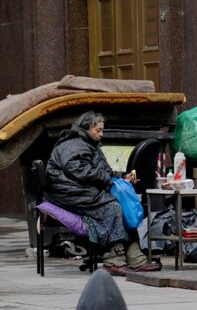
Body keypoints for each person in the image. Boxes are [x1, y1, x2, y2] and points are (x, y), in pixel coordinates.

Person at [44, 110, 161, 276]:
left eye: (102, 130)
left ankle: (135, 258)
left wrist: (120, 178)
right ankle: (114, 259)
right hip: (68, 192)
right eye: (97, 130)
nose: (101, 134)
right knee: (112, 208)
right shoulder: (73, 144)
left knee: (122, 206)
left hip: (80, 190)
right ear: (85, 128)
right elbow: (79, 170)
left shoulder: (89, 144)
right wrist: (108, 180)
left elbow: (100, 171)